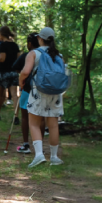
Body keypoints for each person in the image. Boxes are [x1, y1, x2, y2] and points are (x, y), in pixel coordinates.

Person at [19, 27, 66, 167]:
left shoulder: (34, 53)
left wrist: (20, 80)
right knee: (53, 125)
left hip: (38, 91)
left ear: (40, 38)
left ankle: (39, 155)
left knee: (33, 122)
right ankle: (54, 157)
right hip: (55, 93)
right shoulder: (59, 56)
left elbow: (26, 71)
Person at [12, 33, 40, 154]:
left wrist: (23, 78)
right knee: (39, 118)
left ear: (29, 43)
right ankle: (39, 146)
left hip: (27, 89)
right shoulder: (45, 55)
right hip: (41, 90)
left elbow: (16, 67)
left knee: (25, 116)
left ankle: (26, 144)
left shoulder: (28, 55)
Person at [0, 26, 21, 121]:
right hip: (13, 72)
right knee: (14, 95)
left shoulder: (3, 45)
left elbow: (2, 59)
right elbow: (18, 59)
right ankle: (16, 116)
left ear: (1, 34)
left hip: (4, 72)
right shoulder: (15, 45)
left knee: (0, 94)